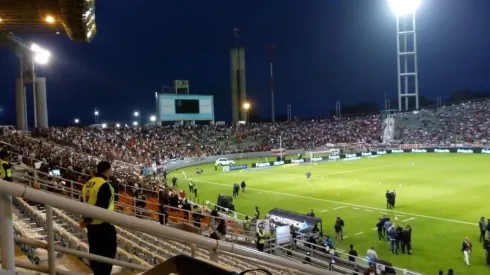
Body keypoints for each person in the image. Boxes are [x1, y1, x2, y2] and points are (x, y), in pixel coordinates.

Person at [80, 161, 117, 275]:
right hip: (103, 226)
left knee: (95, 255)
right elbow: (101, 208)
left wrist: (86, 221)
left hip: (91, 227)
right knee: (108, 256)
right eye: (110, 170)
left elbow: (83, 204)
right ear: (107, 171)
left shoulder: (87, 184)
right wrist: (87, 220)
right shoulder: (105, 185)